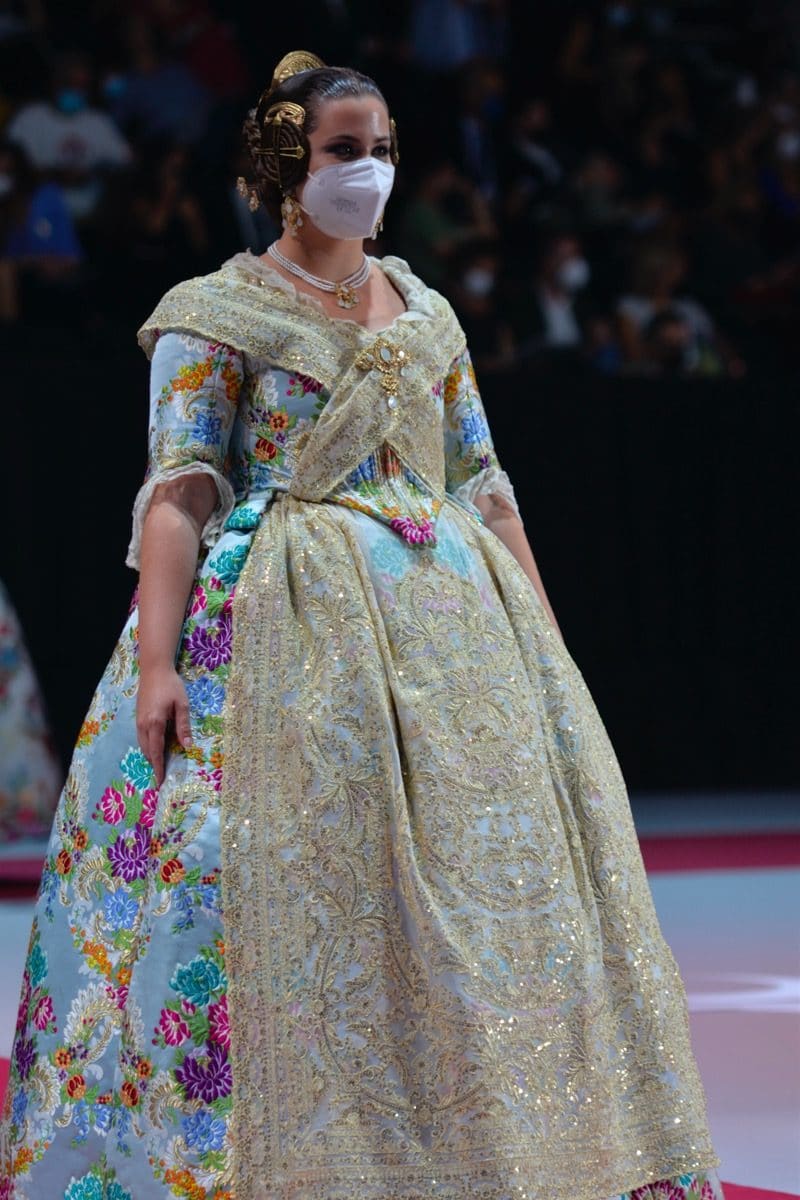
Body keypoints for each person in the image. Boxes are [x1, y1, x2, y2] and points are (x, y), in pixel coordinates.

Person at [0, 51, 725, 1200]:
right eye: (344, 149)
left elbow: (484, 487)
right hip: (283, 626)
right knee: (282, 887)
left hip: (453, 627)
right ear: (286, 162)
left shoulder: (427, 314)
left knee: (471, 905)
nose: (369, 170)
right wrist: (157, 662)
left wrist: (549, 654)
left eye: (382, 148)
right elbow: (178, 492)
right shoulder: (215, 314)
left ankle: (472, 1151)